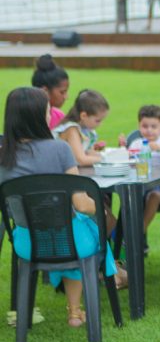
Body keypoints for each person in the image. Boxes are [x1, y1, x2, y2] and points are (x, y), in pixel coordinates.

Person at [0, 88, 125, 328]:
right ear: (38, 116)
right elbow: (80, 203)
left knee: (74, 228)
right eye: (48, 111)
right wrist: (101, 208)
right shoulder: (59, 149)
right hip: (71, 241)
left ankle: (74, 311)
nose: (51, 116)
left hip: (27, 244)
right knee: (87, 228)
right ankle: (77, 310)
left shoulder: (4, 156)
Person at [126, 104, 160, 233]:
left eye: (154, 126)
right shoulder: (137, 143)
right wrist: (123, 148)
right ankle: (132, 233)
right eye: (145, 126)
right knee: (130, 197)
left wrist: (157, 147)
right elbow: (129, 160)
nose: (149, 130)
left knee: (155, 195)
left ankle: (140, 230)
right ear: (139, 126)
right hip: (140, 182)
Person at [53, 90, 110, 167]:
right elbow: (81, 160)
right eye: (97, 120)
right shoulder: (71, 130)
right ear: (83, 116)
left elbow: (89, 153)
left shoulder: (87, 131)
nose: (100, 124)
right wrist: (106, 159)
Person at [31, 54, 70, 130]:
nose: (66, 97)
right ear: (45, 91)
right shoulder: (28, 118)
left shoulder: (59, 115)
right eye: (62, 92)